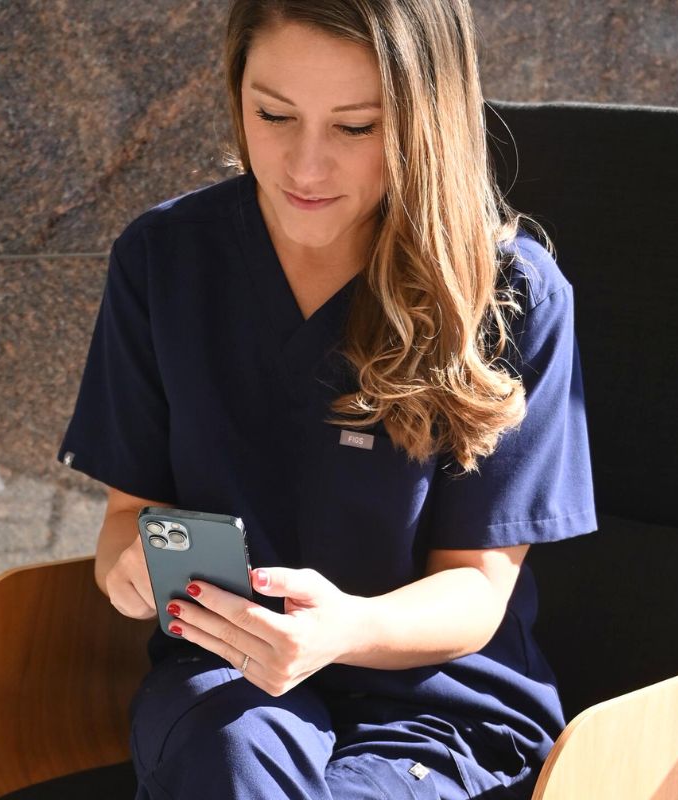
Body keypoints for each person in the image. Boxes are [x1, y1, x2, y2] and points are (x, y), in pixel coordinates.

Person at [55, 1, 597, 797]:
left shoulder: (511, 295)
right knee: (229, 762)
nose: (304, 168)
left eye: (355, 128)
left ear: (425, 120)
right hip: (227, 679)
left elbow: (479, 588)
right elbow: (124, 522)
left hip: (437, 702)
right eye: (273, 114)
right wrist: (128, 570)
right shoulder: (162, 261)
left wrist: (344, 628)